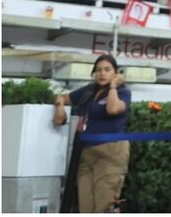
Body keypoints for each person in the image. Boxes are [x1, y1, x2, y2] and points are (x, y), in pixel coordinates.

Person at [52, 54, 131, 213]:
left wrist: (113, 86)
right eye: (98, 70)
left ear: (115, 73)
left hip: (110, 153)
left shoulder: (123, 92)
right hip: (86, 153)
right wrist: (60, 106)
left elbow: (113, 109)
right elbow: (62, 96)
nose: (102, 73)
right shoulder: (89, 90)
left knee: (104, 206)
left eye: (107, 70)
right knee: (85, 206)